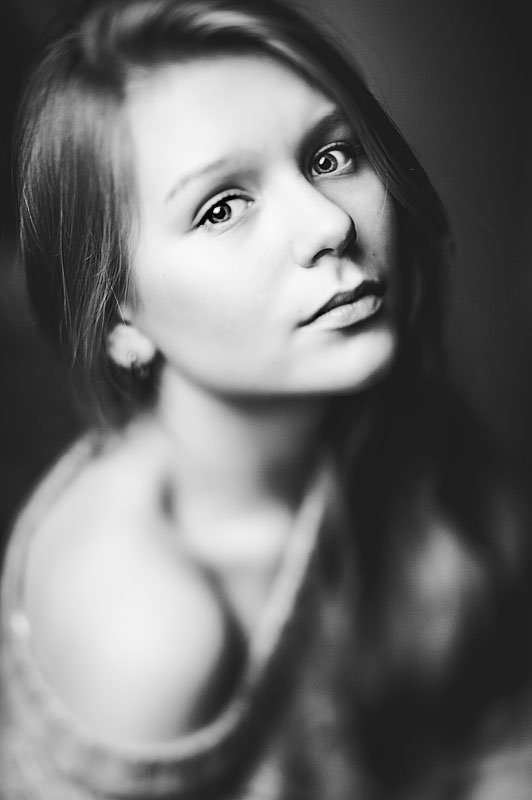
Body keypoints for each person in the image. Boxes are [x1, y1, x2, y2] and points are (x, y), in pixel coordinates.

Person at [2, 0, 532, 797]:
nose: (328, 225)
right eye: (221, 207)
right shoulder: (151, 630)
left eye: (330, 156)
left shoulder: (374, 417)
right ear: (120, 320)